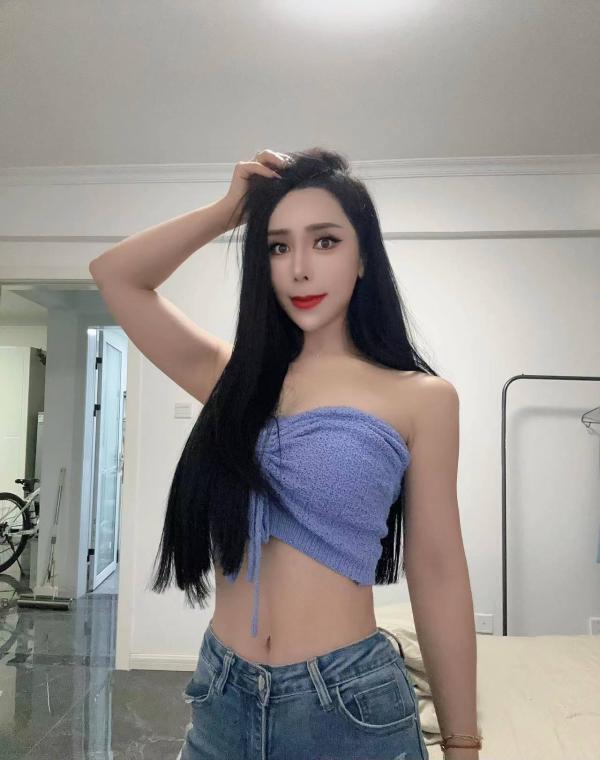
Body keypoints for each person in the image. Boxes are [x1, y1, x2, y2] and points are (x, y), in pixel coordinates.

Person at [89, 147, 481, 760]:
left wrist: (461, 741)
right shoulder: (234, 379)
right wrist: (229, 212)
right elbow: (116, 275)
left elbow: (437, 570)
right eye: (277, 246)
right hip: (222, 695)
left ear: (363, 259)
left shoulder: (422, 398)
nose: (299, 268)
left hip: (346, 704)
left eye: (325, 242)